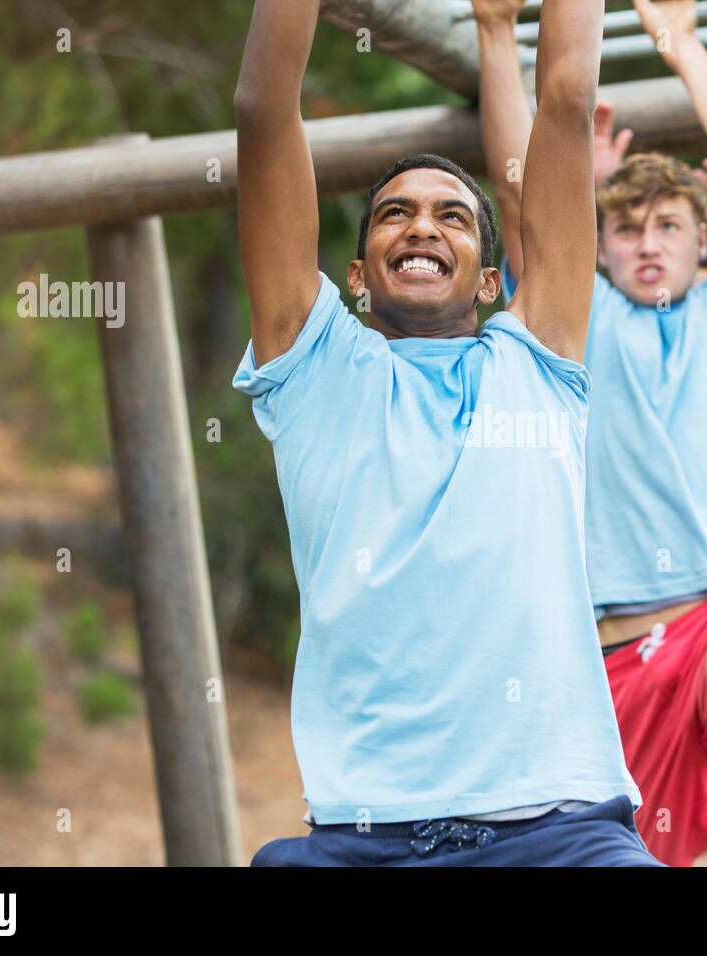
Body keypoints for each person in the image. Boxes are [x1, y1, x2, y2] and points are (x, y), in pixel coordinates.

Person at [232, 0, 657, 866]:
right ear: (354, 277)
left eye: (452, 216)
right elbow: (262, 111)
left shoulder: (538, 362)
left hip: (561, 828)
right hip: (365, 838)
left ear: (494, 280)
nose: (421, 225)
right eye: (394, 213)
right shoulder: (317, 372)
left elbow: (568, 98)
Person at [476, 0, 707, 866]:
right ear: (599, 247)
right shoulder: (584, 323)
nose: (649, 244)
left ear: (703, 242)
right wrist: (496, 32)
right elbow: (522, 191)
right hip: (618, 654)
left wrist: (678, 41)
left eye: (669, 226)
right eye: (627, 227)